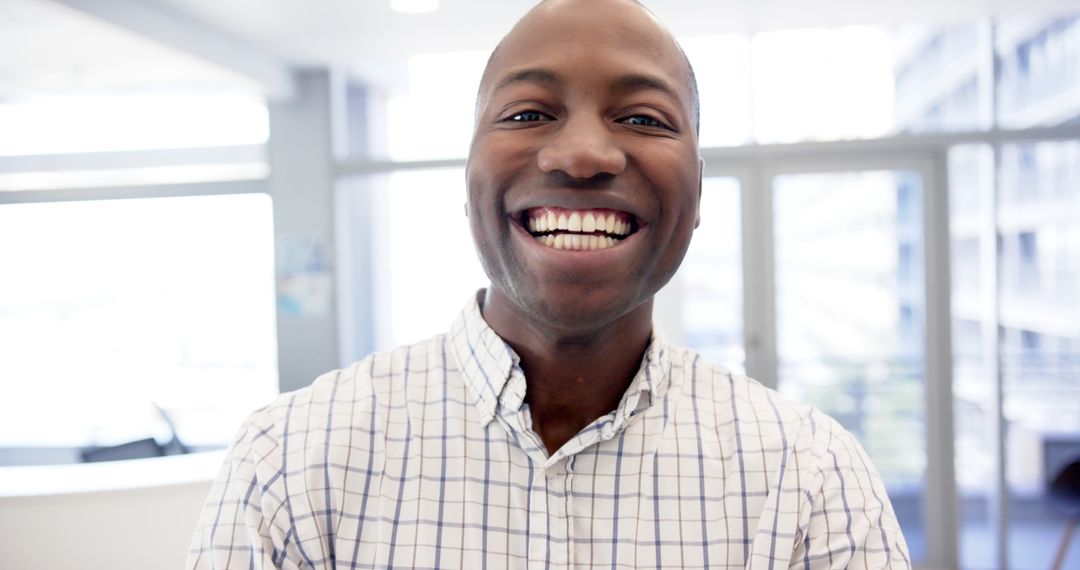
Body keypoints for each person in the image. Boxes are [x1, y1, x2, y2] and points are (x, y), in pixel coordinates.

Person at [187, 0, 911, 567]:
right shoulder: (291, 462)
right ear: (467, 183)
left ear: (697, 194)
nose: (584, 153)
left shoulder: (810, 477)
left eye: (642, 117)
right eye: (528, 114)